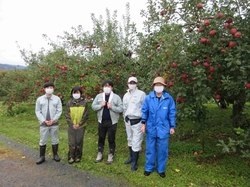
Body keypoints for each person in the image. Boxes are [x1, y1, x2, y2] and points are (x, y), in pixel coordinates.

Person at [141, 77, 176, 178]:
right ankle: (149, 168)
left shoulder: (169, 98)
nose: (158, 87)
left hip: (164, 128)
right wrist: (143, 124)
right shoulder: (148, 98)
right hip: (151, 127)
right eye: (157, 85)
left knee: (162, 150)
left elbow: (172, 113)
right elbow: (145, 111)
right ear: (153, 86)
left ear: (164, 87)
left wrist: (172, 126)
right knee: (150, 149)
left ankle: (161, 169)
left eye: (160, 85)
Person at [91, 80, 123, 164]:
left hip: (112, 122)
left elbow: (121, 108)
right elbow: (93, 106)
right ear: (103, 88)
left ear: (112, 87)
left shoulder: (116, 97)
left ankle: (111, 154)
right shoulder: (99, 97)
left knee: (111, 138)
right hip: (101, 121)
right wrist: (100, 105)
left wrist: (112, 107)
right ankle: (100, 153)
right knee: (101, 138)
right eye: (105, 86)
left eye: (109, 86)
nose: (107, 88)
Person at [35, 82, 62, 164]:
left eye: (51, 87)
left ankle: (55, 155)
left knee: (55, 139)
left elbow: (59, 110)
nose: (49, 89)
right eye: (48, 87)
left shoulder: (57, 99)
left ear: (53, 89)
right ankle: (42, 156)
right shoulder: (39, 99)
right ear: (44, 89)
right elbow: (37, 111)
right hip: (44, 123)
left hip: (54, 123)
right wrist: (43, 120)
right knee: (43, 140)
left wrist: (53, 120)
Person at [123, 77, 146, 171]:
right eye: (130, 82)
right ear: (127, 83)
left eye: (134, 82)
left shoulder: (141, 94)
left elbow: (145, 109)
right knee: (130, 139)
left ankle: (135, 163)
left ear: (136, 84)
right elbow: (124, 109)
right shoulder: (125, 95)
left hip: (138, 121)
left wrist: (144, 122)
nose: (132, 84)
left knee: (136, 142)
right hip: (128, 121)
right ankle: (131, 158)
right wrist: (124, 121)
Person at [65, 86, 89, 164]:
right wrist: (72, 124)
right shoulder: (69, 103)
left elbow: (85, 115)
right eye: (74, 92)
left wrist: (79, 124)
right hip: (71, 126)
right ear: (72, 94)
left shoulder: (84, 103)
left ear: (81, 93)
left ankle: (78, 156)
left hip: (81, 126)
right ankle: (71, 156)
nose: (76, 94)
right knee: (72, 142)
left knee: (79, 142)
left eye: (78, 92)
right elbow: (67, 115)